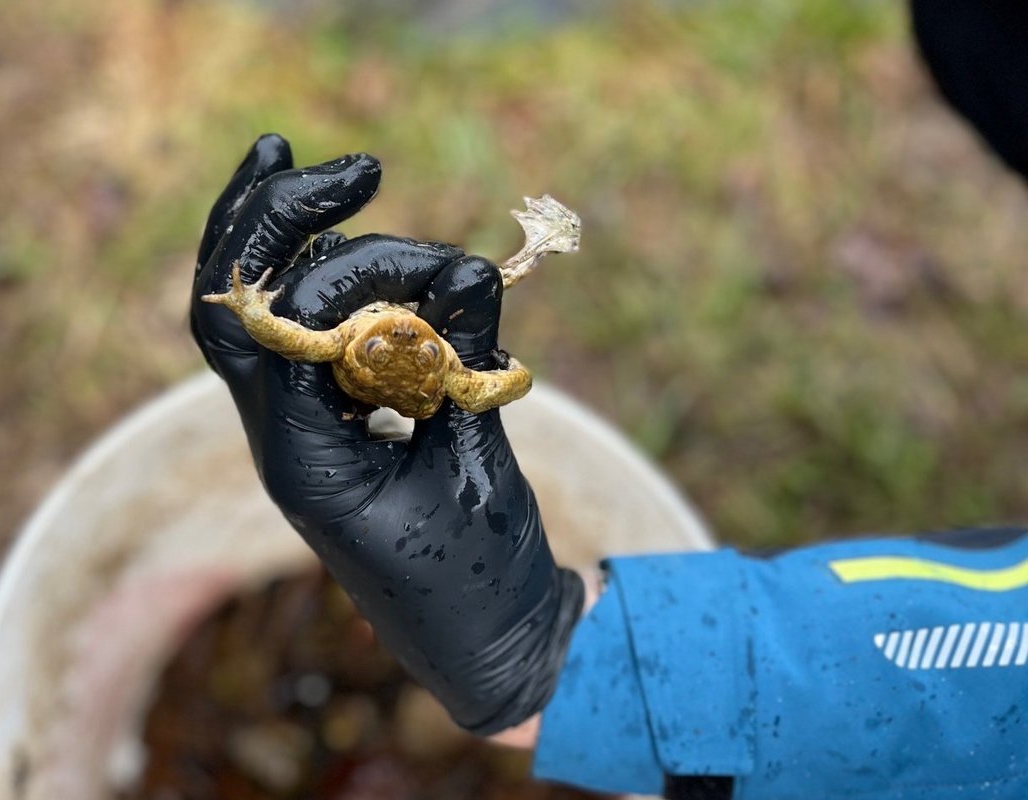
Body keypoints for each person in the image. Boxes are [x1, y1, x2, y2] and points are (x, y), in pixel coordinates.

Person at [188, 134, 1027, 799]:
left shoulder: (438, 370)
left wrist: (566, 660)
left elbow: (501, 378)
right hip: (370, 356)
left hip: (410, 365)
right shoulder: (369, 349)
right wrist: (251, 308)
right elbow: (365, 351)